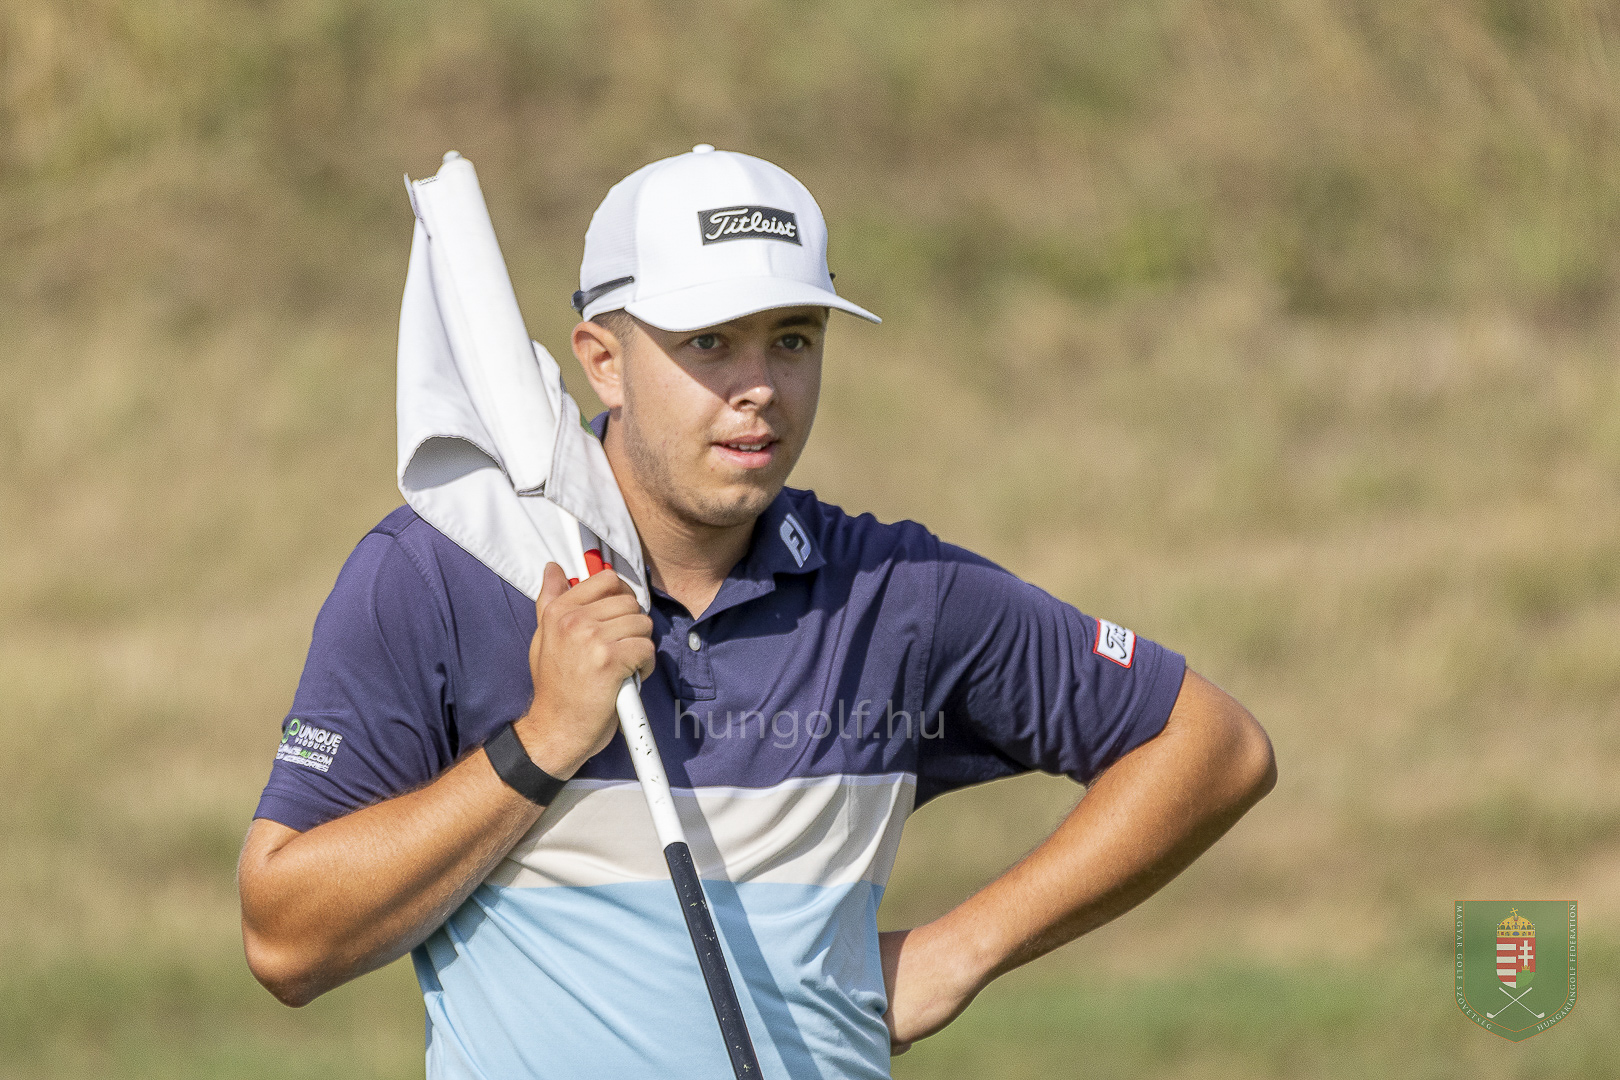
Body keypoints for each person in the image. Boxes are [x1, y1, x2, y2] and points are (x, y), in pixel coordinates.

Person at [238, 145, 1276, 1079]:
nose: (760, 388)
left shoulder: (894, 595)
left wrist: (959, 952)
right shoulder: (443, 576)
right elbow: (285, 940)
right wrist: (540, 743)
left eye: (791, 339)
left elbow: (1211, 745)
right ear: (602, 360)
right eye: (708, 343)